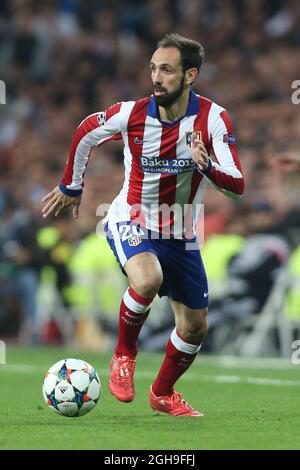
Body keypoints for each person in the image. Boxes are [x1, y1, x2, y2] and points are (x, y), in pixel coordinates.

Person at [42, 33, 244, 416]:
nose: (156, 77)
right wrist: (72, 184)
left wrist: (206, 165)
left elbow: (237, 185)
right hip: (130, 217)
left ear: (190, 75)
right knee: (147, 280)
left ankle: (162, 393)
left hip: (181, 231)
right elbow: (86, 130)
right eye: (153, 68)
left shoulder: (213, 119)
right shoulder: (131, 114)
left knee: (195, 327)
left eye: (166, 70)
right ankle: (123, 355)